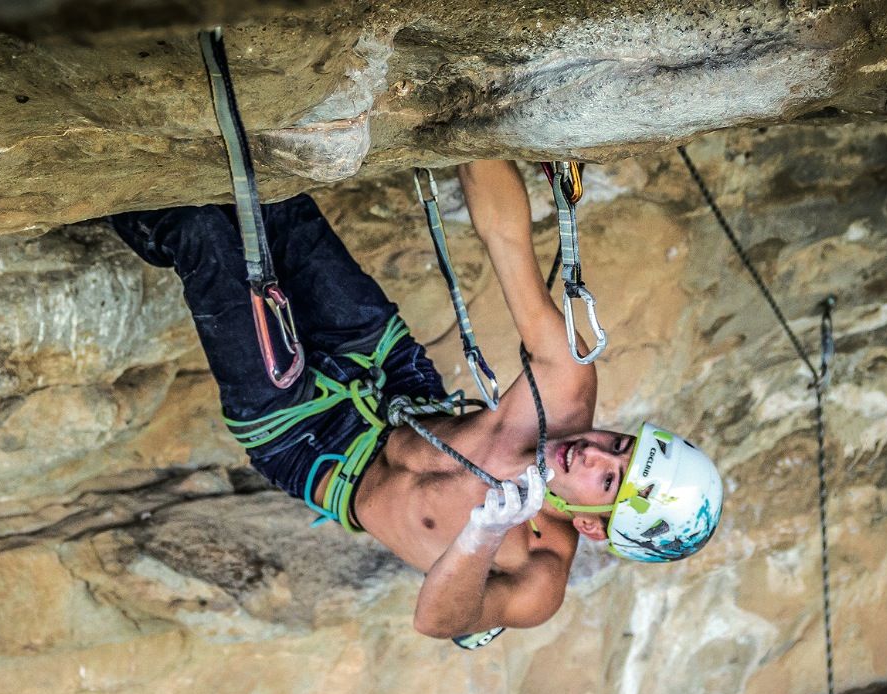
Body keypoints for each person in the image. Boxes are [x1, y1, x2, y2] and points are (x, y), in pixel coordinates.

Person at [107, 160, 722, 647]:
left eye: (608, 477)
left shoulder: (536, 573)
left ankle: (132, 197)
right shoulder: (563, 394)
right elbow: (507, 239)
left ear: (592, 525)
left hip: (308, 444)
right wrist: (481, 124)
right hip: (391, 378)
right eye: (619, 443)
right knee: (276, 201)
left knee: (202, 231)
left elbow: (438, 621)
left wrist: (483, 533)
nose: (592, 451)